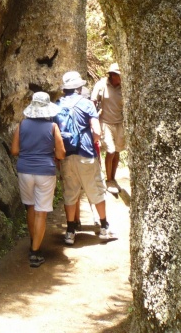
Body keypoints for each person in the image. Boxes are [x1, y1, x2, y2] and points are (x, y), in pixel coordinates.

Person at [56, 70, 116, 244]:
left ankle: (70, 231)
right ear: (78, 88)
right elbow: (96, 131)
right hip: (86, 153)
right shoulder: (87, 104)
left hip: (67, 154)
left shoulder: (57, 105)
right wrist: (93, 141)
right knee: (95, 188)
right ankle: (104, 227)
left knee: (70, 192)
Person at [11, 91, 66, 267]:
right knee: (41, 211)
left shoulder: (22, 125)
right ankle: (35, 252)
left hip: (25, 171)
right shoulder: (53, 127)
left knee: (30, 207)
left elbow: (14, 150)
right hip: (45, 171)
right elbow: (61, 153)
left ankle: (33, 241)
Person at [91, 63, 125, 194]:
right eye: (119, 75)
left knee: (117, 151)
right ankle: (109, 180)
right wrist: (93, 120)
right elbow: (93, 101)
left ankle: (113, 178)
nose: (121, 78)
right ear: (113, 75)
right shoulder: (102, 85)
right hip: (106, 123)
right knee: (110, 150)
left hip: (119, 123)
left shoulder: (123, 86)